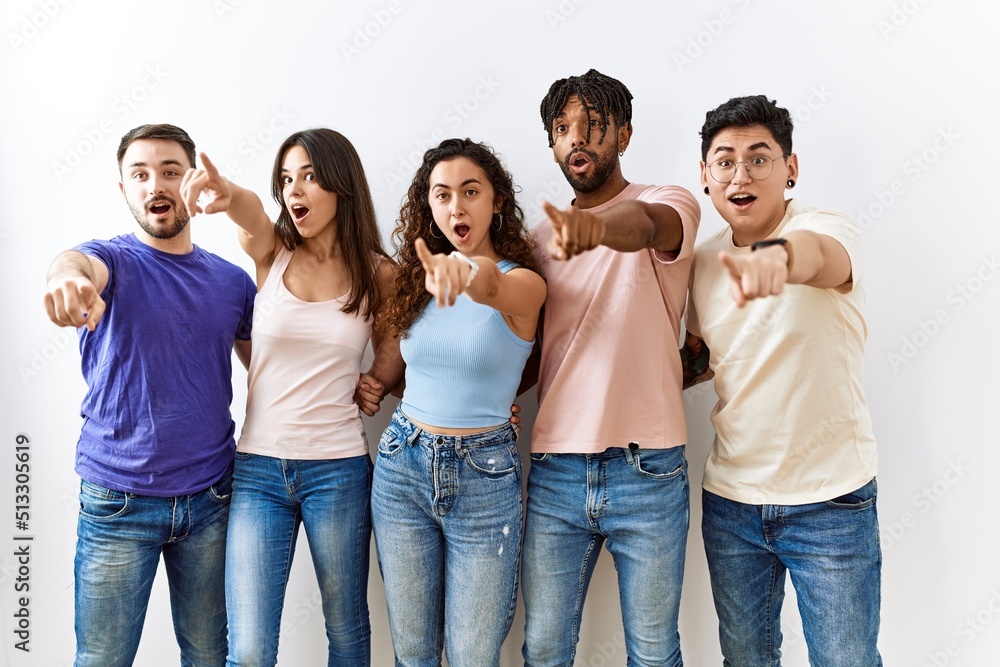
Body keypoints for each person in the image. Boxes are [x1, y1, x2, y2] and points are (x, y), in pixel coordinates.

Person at [42, 123, 255, 667]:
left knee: (209, 655)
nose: (154, 184)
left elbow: (271, 374)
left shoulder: (233, 283)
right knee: (103, 658)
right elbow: (74, 264)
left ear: (192, 183)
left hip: (211, 500)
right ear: (124, 189)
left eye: (169, 171)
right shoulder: (109, 263)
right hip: (118, 500)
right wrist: (66, 279)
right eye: (139, 174)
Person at [180, 128, 391, 667]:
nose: (294, 191)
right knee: (249, 649)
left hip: (339, 470)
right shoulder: (272, 251)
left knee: (347, 632)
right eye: (286, 180)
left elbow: (401, 347)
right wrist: (230, 196)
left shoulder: (378, 272)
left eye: (310, 177)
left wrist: (381, 381)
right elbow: (251, 214)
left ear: (342, 184)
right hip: (258, 471)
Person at [683, 95, 881, 666]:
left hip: (831, 501)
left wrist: (776, 261)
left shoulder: (825, 228)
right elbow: (702, 358)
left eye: (759, 158)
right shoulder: (701, 264)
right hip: (733, 505)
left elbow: (819, 258)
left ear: (790, 168)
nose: (740, 175)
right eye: (725, 161)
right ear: (705, 175)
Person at [519, 69, 700, 667]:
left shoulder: (667, 201)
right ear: (550, 143)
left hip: (646, 468)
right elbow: (534, 347)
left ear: (623, 134)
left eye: (595, 126)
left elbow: (647, 228)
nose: (578, 139)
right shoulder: (536, 238)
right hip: (555, 472)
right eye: (563, 128)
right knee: (545, 648)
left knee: (652, 651)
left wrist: (594, 228)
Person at [357, 137, 545, 667]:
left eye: (470, 192)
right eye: (442, 195)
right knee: (413, 655)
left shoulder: (522, 283)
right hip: (402, 466)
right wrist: (371, 382)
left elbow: (494, 289)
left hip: (484, 478)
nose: (456, 206)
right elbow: (408, 371)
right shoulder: (416, 284)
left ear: (497, 201)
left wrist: (469, 275)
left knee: (471, 656)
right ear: (428, 206)